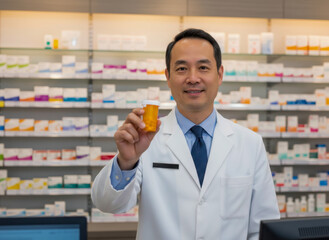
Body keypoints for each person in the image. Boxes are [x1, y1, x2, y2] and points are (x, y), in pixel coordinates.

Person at [92, 28, 280, 240]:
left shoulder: (250, 143)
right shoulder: (143, 139)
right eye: (182, 68)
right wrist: (126, 161)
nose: (193, 78)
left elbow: (264, 227)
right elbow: (107, 204)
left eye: (203, 67)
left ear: (219, 75)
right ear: (168, 77)